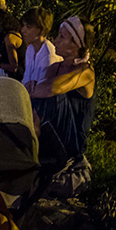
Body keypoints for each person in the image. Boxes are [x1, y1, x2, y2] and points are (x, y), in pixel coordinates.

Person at [28, 16, 96, 161]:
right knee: (40, 97)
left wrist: (30, 89)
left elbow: (50, 89)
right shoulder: (54, 68)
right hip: (51, 131)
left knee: (55, 96)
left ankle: (31, 140)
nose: (56, 40)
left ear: (76, 45)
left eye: (62, 36)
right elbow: (41, 92)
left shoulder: (86, 72)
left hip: (72, 142)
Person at [21, 7, 61, 88]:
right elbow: (26, 79)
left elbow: (43, 87)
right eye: (23, 26)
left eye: (28, 27)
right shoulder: (30, 49)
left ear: (42, 30)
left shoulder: (49, 55)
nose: (23, 30)